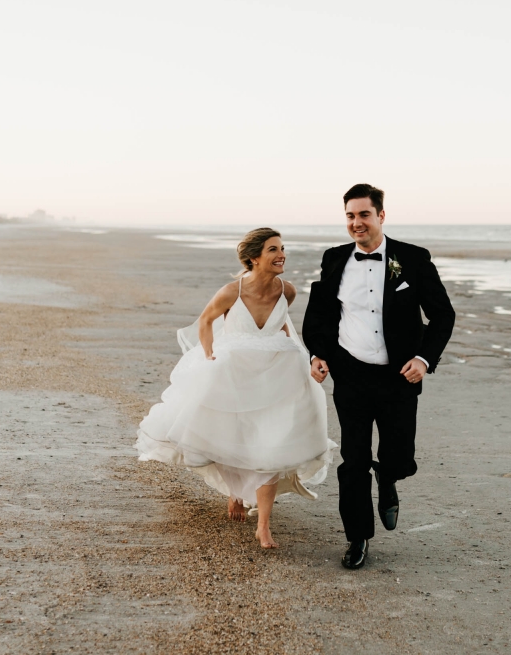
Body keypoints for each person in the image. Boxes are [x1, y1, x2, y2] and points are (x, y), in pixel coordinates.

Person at [135, 228, 335, 549]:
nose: (281, 254)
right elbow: (205, 321)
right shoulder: (231, 292)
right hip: (234, 369)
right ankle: (236, 493)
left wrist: (290, 348)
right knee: (234, 438)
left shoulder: (289, 291)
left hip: (277, 372)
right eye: (273, 249)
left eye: (282, 248)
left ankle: (264, 526)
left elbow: (282, 322)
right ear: (254, 258)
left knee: (270, 443)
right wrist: (209, 354)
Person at [302, 184, 455, 569]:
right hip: (351, 375)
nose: (356, 223)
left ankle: (388, 478)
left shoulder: (413, 259)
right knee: (353, 459)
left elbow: (443, 315)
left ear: (381, 216)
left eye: (364, 215)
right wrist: (319, 353)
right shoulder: (334, 259)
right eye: (350, 216)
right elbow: (319, 312)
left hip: (400, 377)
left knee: (399, 455)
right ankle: (358, 538)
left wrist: (423, 358)